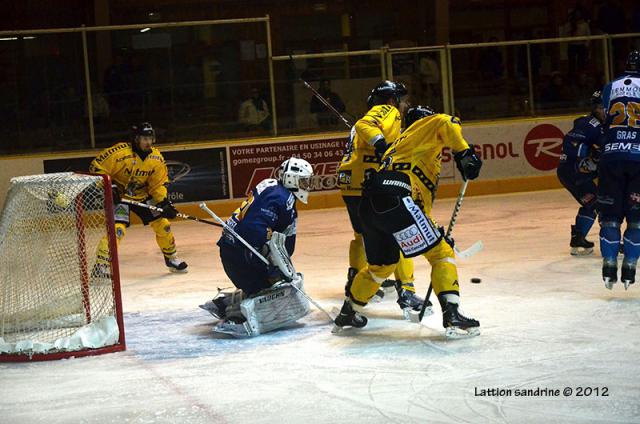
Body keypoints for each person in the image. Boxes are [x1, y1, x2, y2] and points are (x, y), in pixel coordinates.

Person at [334, 106, 483, 338]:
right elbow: (446, 121)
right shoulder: (425, 126)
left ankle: (348, 312)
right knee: (441, 254)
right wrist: (464, 153)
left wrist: (433, 230)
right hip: (396, 198)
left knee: (382, 265)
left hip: (370, 203)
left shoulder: (399, 146)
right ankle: (452, 316)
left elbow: (417, 209)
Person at [336, 80, 423, 315]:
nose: (404, 105)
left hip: (350, 183)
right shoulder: (387, 110)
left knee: (363, 234)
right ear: (392, 99)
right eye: (402, 100)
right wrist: (382, 145)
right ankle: (406, 290)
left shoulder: (372, 120)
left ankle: (355, 282)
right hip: (369, 182)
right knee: (399, 233)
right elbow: (365, 124)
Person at [200, 157, 314, 336]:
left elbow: (283, 241)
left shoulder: (272, 187)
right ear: (291, 179)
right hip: (241, 255)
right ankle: (238, 317)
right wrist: (272, 268)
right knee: (271, 288)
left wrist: (280, 265)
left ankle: (227, 303)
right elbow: (255, 229)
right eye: (304, 181)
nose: (307, 186)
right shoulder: (282, 198)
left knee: (277, 280)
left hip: (233, 250)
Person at [90, 122, 188, 274]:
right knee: (118, 230)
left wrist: (164, 202)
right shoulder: (119, 153)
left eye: (150, 138)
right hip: (121, 198)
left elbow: (157, 184)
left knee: (163, 225)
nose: (148, 142)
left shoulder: (156, 158)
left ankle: (171, 258)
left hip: (143, 196)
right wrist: (111, 188)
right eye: (144, 139)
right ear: (136, 139)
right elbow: (96, 167)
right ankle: (101, 265)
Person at [597, 50, 640, 290]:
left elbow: (605, 116)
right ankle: (631, 266)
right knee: (636, 222)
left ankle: (609, 265)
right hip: (639, 159)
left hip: (612, 156)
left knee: (611, 220)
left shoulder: (610, 86)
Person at [557, 91, 605, 255]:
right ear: (595, 108)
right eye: (601, 107)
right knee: (597, 203)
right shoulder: (589, 124)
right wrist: (590, 153)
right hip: (572, 172)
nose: (605, 111)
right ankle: (608, 241)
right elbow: (570, 144)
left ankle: (578, 238)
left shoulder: (602, 125)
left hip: (579, 173)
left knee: (593, 203)